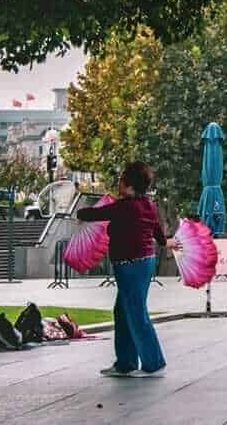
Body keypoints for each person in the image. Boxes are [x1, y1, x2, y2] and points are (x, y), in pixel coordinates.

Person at [75, 161, 177, 377]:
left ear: (129, 185)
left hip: (129, 265)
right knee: (123, 311)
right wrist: (165, 241)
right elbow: (157, 231)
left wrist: (78, 211)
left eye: (121, 180)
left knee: (136, 312)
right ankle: (125, 363)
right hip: (143, 262)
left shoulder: (124, 207)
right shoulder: (148, 205)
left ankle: (153, 363)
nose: (118, 184)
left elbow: (93, 214)